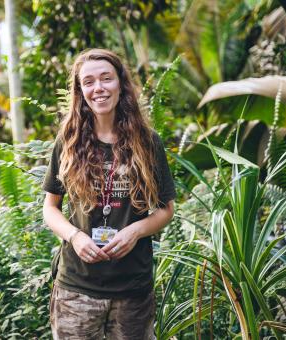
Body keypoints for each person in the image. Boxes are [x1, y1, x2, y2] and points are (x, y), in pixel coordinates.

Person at [42, 48, 176, 340]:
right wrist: (75, 237)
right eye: (88, 82)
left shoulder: (148, 142)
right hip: (77, 288)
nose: (98, 88)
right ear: (80, 90)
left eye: (106, 78)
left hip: (133, 290)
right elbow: (50, 207)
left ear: (121, 84)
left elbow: (166, 208)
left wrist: (135, 231)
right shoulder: (68, 141)